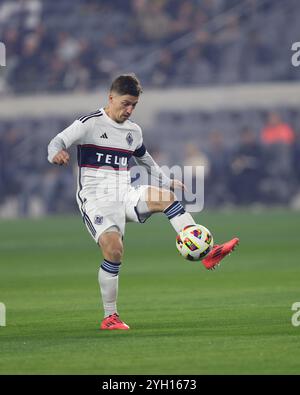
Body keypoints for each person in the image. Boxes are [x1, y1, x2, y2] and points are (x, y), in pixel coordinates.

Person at [47, 74, 239, 330]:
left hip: (125, 192)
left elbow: (144, 158)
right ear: (111, 97)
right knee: (114, 251)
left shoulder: (133, 131)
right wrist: (55, 153)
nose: (129, 110)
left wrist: (165, 180)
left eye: (134, 105)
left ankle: (207, 252)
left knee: (166, 198)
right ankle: (110, 317)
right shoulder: (89, 124)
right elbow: (57, 140)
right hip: (96, 199)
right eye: (125, 103)